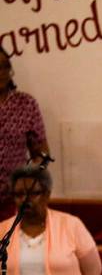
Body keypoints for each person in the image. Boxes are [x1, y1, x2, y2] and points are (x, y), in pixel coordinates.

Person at [0, 47, 50, 218]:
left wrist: (28, 180)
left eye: (5, 66)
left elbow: (42, 153)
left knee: (10, 243)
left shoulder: (25, 104)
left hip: (13, 199)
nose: (2, 72)